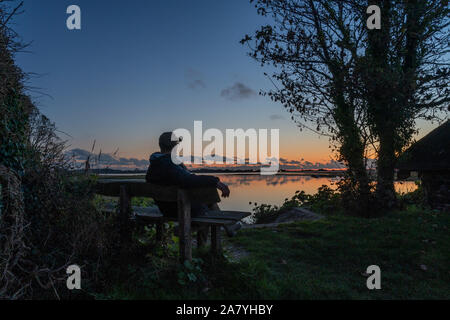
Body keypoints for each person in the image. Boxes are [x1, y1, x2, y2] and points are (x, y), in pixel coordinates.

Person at [146, 132, 241, 237]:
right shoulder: (169, 164)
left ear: (160, 145)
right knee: (209, 203)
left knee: (207, 201)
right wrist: (215, 181)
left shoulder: (155, 164)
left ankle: (228, 228)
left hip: (165, 209)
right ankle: (215, 236)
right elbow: (188, 179)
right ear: (175, 146)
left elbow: (185, 178)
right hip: (180, 209)